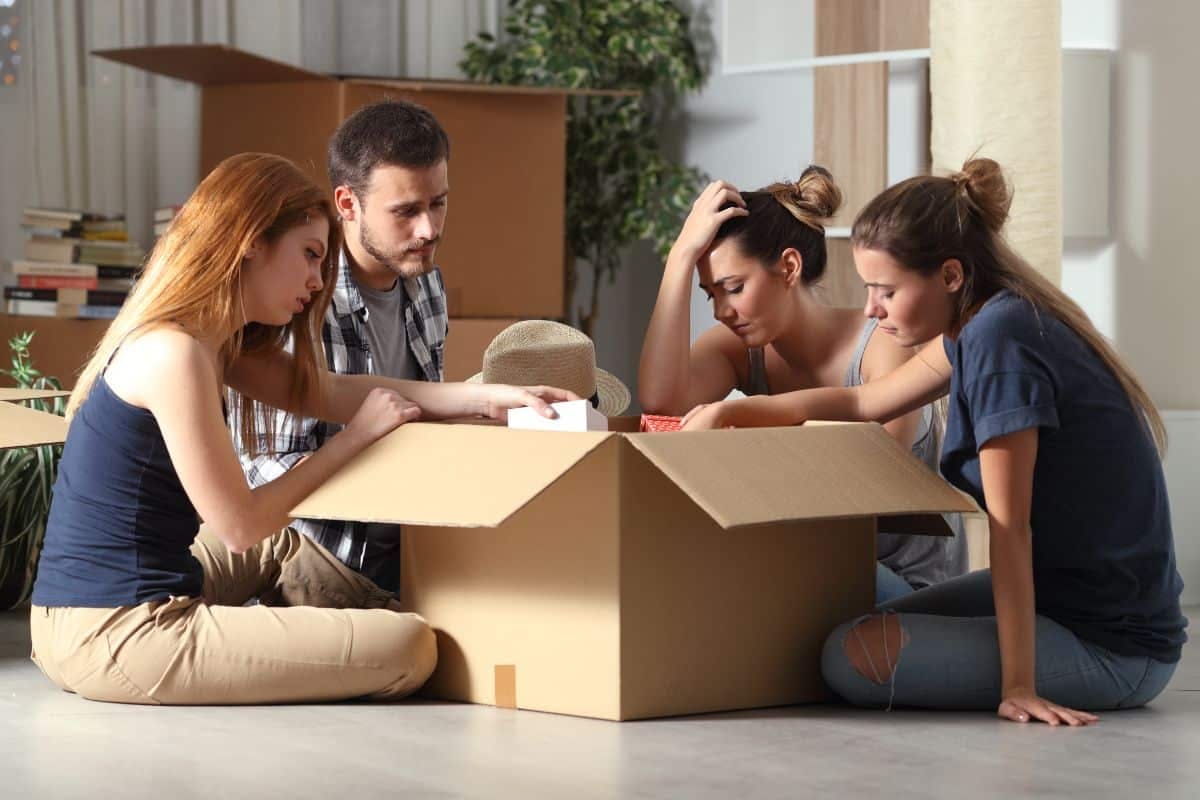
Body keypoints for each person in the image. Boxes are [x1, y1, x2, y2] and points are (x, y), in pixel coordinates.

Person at [28, 152, 573, 705]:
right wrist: (358, 439)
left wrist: (486, 399)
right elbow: (239, 525)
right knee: (411, 645)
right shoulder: (175, 355)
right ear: (251, 244)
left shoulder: (210, 341)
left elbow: (333, 392)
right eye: (310, 256)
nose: (317, 281)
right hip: (121, 631)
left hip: (89, 610)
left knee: (289, 548)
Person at [684, 158, 1188, 725]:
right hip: (1055, 596)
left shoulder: (1003, 343)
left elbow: (1009, 529)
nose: (872, 309)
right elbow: (862, 403)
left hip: (1113, 646)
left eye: (886, 291)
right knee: (846, 622)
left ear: (950, 276)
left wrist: (1018, 686)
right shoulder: (980, 326)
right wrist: (738, 412)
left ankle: (1025, 670)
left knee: (846, 659)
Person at [640, 167, 965, 601]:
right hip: (807, 566)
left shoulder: (882, 346)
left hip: (904, 589)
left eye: (733, 288)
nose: (720, 311)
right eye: (710, 294)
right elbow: (661, 401)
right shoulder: (740, 350)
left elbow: (859, 486)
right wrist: (679, 254)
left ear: (789, 267)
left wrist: (742, 433)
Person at [235, 99, 452, 593]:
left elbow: (419, 416)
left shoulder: (427, 285)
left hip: (415, 542)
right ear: (347, 204)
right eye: (406, 211)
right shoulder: (298, 299)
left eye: (438, 202)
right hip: (322, 554)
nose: (429, 229)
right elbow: (267, 470)